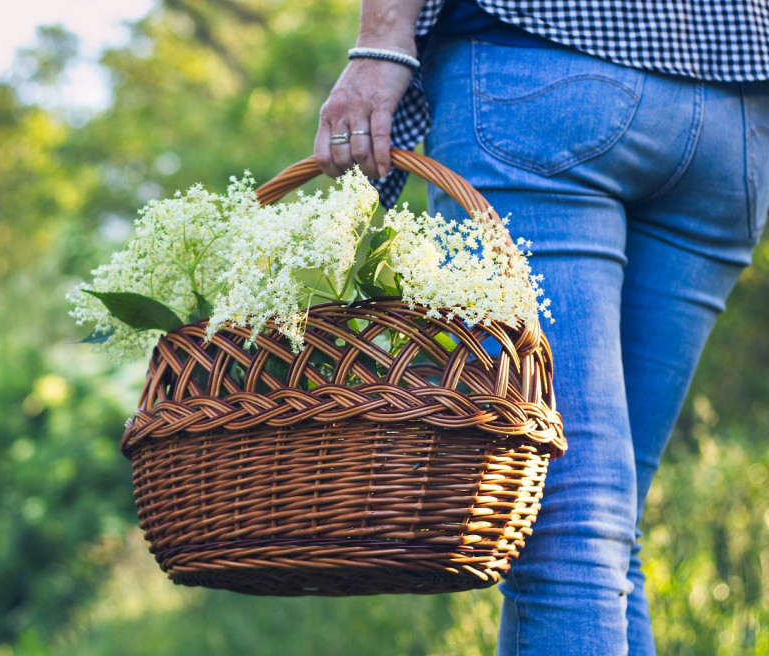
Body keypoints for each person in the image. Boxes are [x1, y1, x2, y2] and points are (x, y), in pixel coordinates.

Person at [315, 1, 769, 654]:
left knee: (562, 527)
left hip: (544, 76)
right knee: (607, 530)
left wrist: (382, 41)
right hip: (737, 114)